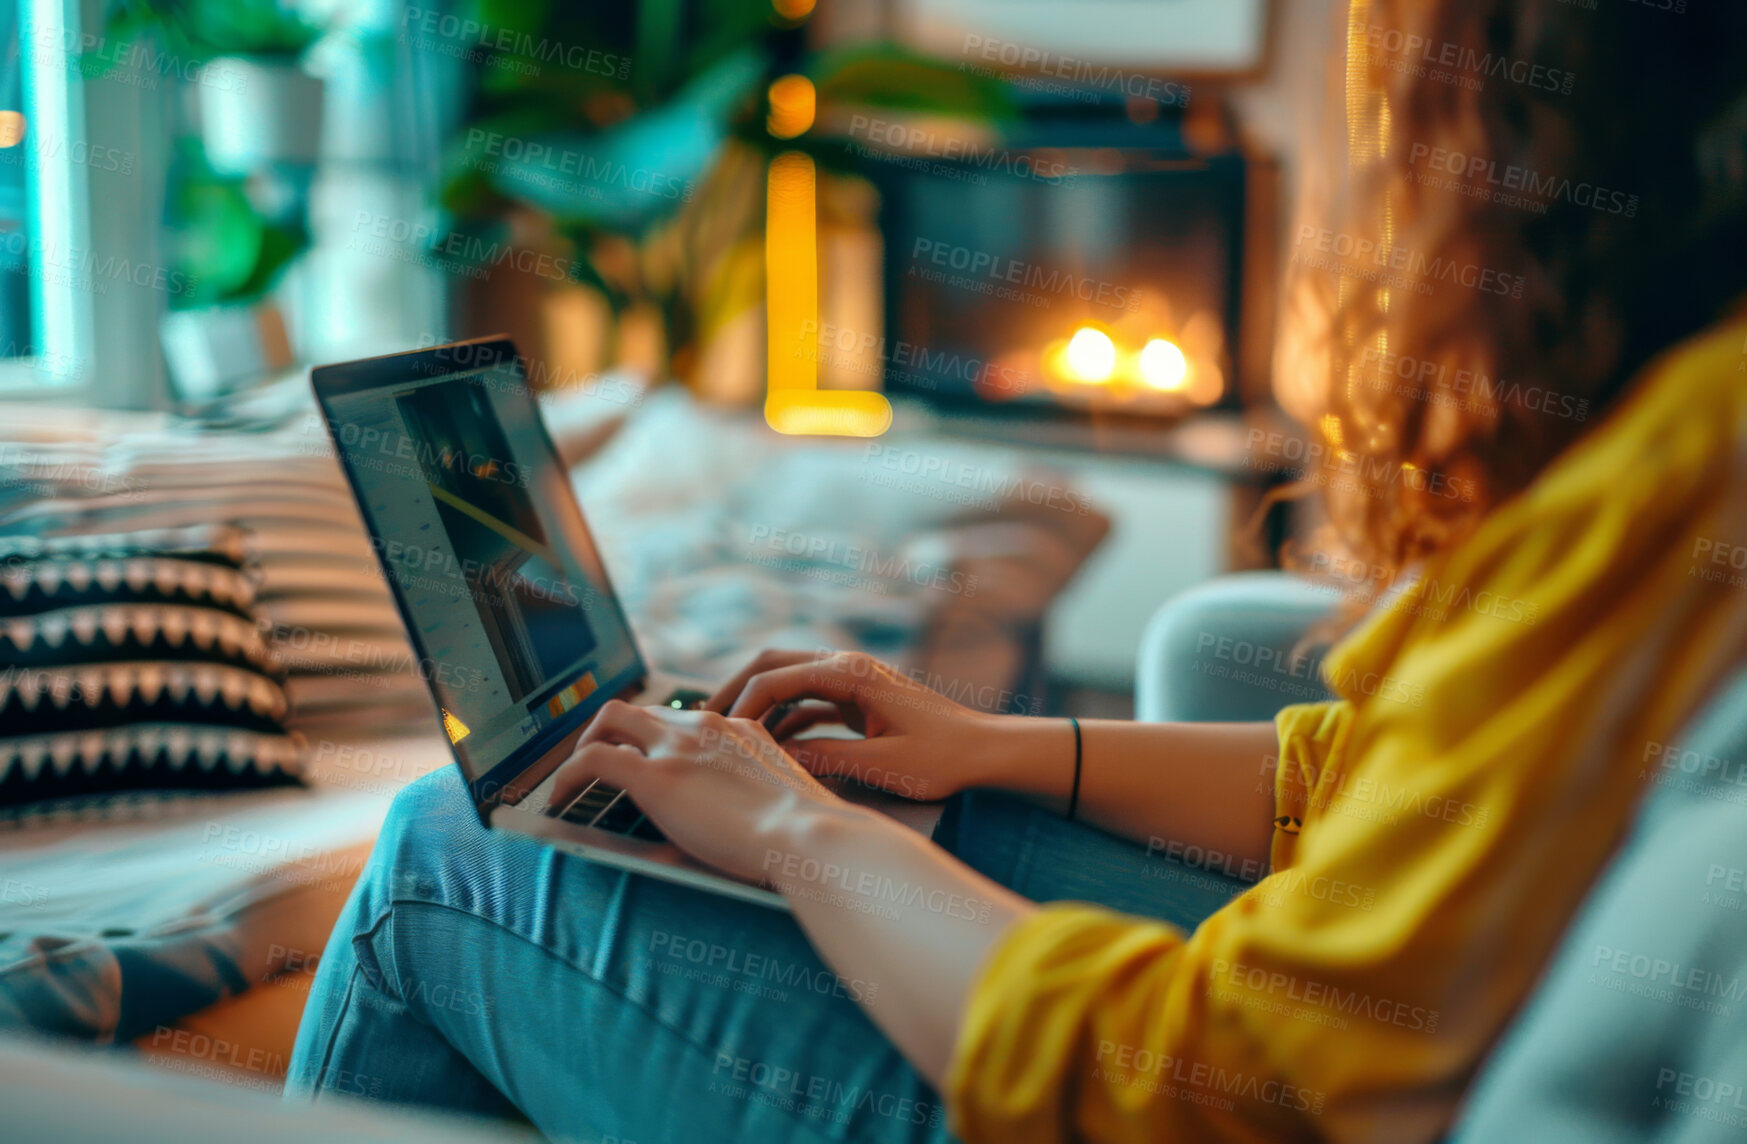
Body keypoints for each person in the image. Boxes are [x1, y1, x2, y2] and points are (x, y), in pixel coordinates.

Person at [286, 1, 1747, 1140]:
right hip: (1311, 1028)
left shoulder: (1698, 455)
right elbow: (1370, 776)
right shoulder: (1690, 417)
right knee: (902, 810)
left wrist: (798, 839)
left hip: (1184, 1094)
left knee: (445, 849)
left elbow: (1212, 1092)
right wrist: (994, 745)